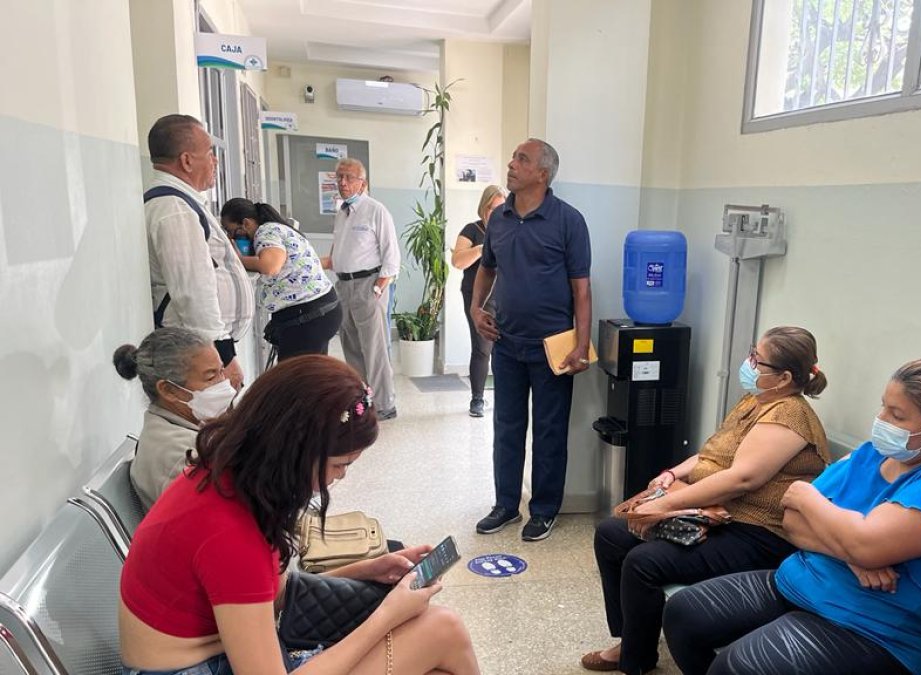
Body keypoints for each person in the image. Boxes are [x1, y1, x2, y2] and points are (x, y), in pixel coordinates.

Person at [118, 355, 479, 674]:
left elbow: (262, 593)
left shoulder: (229, 477)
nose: (340, 477)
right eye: (340, 464)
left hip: (213, 657)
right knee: (442, 630)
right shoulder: (231, 531)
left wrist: (366, 570)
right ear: (294, 451)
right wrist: (388, 617)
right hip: (198, 668)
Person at [663, 357, 921, 675]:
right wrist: (849, 551)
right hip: (802, 582)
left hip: (871, 626)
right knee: (684, 614)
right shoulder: (870, 454)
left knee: (738, 666)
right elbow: (791, 521)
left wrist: (806, 496)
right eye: (883, 406)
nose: (882, 420)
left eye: (897, 416)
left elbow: (862, 542)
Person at [582, 327, 831, 674]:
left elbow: (743, 477)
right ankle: (631, 640)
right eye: (752, 352)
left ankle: (635, 662)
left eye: (758, 360)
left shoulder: (789, 416)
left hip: (758, 532)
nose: (750, 363)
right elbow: (712, 455)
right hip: (719, 514)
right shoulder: (755, 401)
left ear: (785, 377)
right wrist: (671, 475)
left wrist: (664, 505)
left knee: (644, 562)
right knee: (611, 534)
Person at [472, 139, 592, 542]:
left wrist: (581, 344)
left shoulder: (568, 221)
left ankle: (542, 510)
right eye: (513, 157)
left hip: (553, 347)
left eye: (521, 159)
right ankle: (506, 505)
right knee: (506, 426)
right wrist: (476, 309)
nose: (511, 163)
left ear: (542, 173)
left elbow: (582, 290)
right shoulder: (500, 219)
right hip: (506, 342)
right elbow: (486, 269)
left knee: (549, 430)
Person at [144, 114, 253, 390]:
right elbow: (194, 292)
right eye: (209, 153)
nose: (215, 161)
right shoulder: (173, 209)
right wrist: (223, 358)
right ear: (187, 161)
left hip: (203, 349)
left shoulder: (183, 203)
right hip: (198, 355)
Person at [113, 327, 233, 508]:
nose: (223, 383)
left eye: (221, 371)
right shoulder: (181, 456)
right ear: (169, 391)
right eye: (210, 377)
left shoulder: (179, 427)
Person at [320, 158, 399, 420]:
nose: (342, 182)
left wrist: (377, 289)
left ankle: (385, 404)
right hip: (344, 284)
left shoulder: (376, 210)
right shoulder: (341, 212)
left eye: (349, 177)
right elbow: (338, 251)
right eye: (339, 177)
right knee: (351, 347)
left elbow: (391, 256)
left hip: (369, 285)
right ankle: (363, 401)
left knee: (374, 349)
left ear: (362, 182)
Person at [220, 198, 341, 360]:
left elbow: (270, 266)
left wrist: (236, 258)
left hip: (309, 316)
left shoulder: (266, 232)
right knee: (310, 377)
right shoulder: (277, 229)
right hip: (320, 310)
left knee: (293, 379)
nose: (232, 238)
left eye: (232, 232)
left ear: (246, 223)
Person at [450, 185, 505, 417]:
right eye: (493, 208)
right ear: (484, 208)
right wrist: (483, 248)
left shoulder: (511, 230)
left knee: (503, 348)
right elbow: (458, 261)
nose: (497, 212)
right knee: (482, 346)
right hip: (478, 297)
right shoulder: (472, 230)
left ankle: (504, 398)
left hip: (505, 296)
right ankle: (477, 399)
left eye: (501, 208)